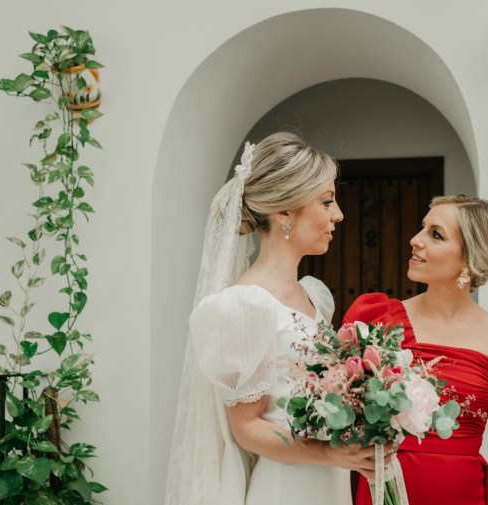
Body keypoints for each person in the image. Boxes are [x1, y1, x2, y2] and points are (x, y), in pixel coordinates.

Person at [164, 132, 383, 505]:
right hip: (285, 489)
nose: (338, 214)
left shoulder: (314, 296)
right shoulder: (245, 305)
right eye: (327, 201)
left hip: (328, 486)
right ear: (284, 212)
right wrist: (332, 453)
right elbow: (247, 428)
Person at [345, 195, 488, 505]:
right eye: (422, 228)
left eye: (435, 234)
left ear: (469, 258)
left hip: (464, 493)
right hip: (390, 488)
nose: (416, 240)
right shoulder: (378, 318)